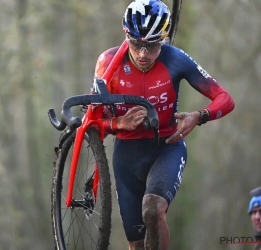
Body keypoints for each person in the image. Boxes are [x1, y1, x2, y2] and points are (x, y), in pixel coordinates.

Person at [94, 0, 235, 249]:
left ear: (164, 39)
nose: (143, 54)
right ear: (126, 35)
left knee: (153, 209)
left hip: (166, 147)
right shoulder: (108, 63)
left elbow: (225, 99)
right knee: (137, 243)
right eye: (137, 44)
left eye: (152, 45)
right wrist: (117, 122)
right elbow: (93, 125)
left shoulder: (175, 59)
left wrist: (199, 116)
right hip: (126, 155)